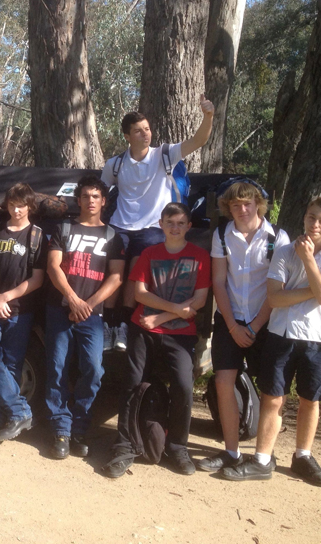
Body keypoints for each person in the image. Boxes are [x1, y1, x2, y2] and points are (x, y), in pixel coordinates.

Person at [221, 197, 321, 488]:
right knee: (273, 397)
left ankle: (302, 456)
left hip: (319, 337)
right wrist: (316, 288)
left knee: (310, 399)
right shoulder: (282, 253)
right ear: (304, 218)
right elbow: (275, 298)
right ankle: (262, 460)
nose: (314, 224)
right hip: (282, 334)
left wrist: (308, 261)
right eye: (310, 217)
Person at [102, 202, 211, 478]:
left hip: (179, 334)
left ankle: (177, 447)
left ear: (189, 226)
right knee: (132, 383)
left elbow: (199, 299)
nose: (175, 227)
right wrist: (173, 311)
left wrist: (160, 318)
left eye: (181, 223)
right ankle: (124, 446)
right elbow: (139, 293)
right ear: (161, 225)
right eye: (170, 222)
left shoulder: (200, 256)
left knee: (184, 387)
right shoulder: (150, 253)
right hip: (144, 329)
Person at [101, 100, 214, 351]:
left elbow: (198, 141)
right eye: (139, 130)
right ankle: (107, 327)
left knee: (134, 273)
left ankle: (123, 326)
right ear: (127, 135)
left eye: (148, 128)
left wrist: (208, 116)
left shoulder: (164, 154)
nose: (145, 133)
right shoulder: (115, 165)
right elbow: (102, 190)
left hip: (152, 228)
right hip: (120, 227)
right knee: (114, 274)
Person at [196, 181, 290, 472]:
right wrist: (234, 326)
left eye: (248, 203)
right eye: (235, 205)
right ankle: (231, 452)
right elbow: (219, 283)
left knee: (271, 390)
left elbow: (279, 288)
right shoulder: (222, 235)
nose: (242, 209)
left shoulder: (278, 237)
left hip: (268, 320)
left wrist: (255, 325)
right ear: (228, 208)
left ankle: (263, 455)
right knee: (224, 383)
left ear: (258, 204)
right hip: (230, 318)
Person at [45, 176, 124, 459]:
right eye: (86, 196)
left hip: (92, 315)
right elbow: (53, 267)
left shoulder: (113, 237)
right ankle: (61, 430)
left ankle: (79, 426)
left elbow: (116, 277)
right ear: (78, 200)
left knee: (93, 370)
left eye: (96, 196)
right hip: (60, 309)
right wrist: (74, 299)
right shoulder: (63, 228)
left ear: (103, 201)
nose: (91, 200)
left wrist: (88, 304)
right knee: (57, 368)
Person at [0, 183, 46, 447]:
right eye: (12, 204)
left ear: (30, 206)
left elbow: (37, 279)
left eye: (21, 205)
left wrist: (6, 297)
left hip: (19, 311)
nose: (16, 210)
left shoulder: (37, 236)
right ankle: (21, 411)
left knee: (12, 365)